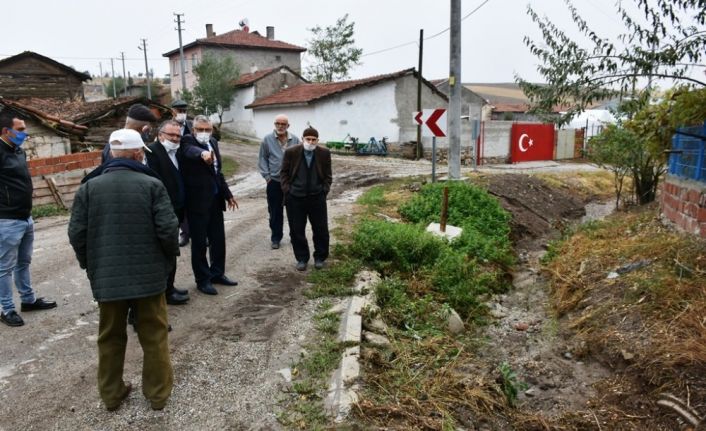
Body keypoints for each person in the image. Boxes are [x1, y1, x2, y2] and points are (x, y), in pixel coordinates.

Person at [68, 128, 178, 412]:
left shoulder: (90, 186)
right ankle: (157, 395)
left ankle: (112, 394)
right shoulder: (152, 184)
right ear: (139, 153)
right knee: (154, 335)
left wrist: (91, 265)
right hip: (149, 277)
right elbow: (168, 230)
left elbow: (76, 233)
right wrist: (166, 262)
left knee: (110, 337)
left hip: (107, 279)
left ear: (112, 154)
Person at [0, 113, 57, 327]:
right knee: (4, 267)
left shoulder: (18, 151)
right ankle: (6, 309)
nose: (25, 133)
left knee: (23, 262)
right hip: (6, 220)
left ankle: (28, 300)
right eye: (21, 129)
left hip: (26, 217)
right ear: (6, 131)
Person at [180, 115, 238, 295]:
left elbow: (217, 172)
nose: (204, 133)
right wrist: (202, 153)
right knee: (199, 243)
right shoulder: (187, 141)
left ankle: (217, 273)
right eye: (200, 129)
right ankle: (203, 279)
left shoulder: (213, 142)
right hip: (197, 202)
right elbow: (190, 151)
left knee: (218, 240)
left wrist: (227, 194)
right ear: (194, 129)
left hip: (215, 199)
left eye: (207, 130)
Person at [146, 120, 190, 305]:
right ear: (160, 134)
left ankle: (169, 287)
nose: (175, 138)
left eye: (178, 135)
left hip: (177, 210)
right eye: (171, 135)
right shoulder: (152, 152)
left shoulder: (178, 152)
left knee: (172, 251)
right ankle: (163, 292)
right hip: (163, 211)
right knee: (163, 252)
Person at [279, 126, 332, 271]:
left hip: (317, 197)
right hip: (295, 198)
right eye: (308, 139)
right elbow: (283, 173)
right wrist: (287, 191)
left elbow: (328, 175)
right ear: (302, 139)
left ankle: (320, 257)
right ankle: (302, 258)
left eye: (314, 139)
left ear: (317, 140)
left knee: (321, 229)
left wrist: (324, 191)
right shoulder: (291, 152)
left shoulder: (324, 153)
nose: (310, 142)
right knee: (296, 230)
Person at [258, 114, 300, 250]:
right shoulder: (267, 139)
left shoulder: (295, 140)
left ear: (288, 126)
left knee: (294, 211)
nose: (280, 126)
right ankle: (276, 238)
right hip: (274, 182)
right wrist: (267, 177)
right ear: (274, 124)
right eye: (278, 123)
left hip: (291, 183)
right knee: (275, 212)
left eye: (283, 124)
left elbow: (300, 160)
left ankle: (295, 237)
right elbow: (262, 159)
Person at [171, 100, 192, 247]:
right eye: (179, 110)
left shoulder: (192, 125)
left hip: (192, 169)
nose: (182, 113)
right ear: (172, 111)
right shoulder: (167, 127)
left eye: (184, 111)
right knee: (180, 203)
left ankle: (200, 233)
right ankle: (184, 233)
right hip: (175, 168)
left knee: (195, 202)